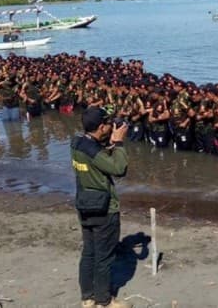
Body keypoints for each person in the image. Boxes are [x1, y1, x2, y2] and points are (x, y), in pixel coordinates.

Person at [72, 107, 130, 308]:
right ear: (101, 126)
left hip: (84, 204)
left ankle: (87, 297)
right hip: (104, 208)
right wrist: (119, 142)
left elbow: (98, 156)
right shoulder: (93, 150)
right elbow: (118, 168)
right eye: (107, 124)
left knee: (89, 252)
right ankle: (104, 301)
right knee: (104, 257)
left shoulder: (77, 143)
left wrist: (110, 143)